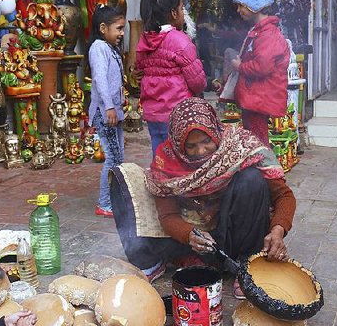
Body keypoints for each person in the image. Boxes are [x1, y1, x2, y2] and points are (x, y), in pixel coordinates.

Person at [109, 98, 295, 295]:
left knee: (251, 179)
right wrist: (188, 234)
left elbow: (284, 195)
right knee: (126, 178)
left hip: (234, 233)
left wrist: (278, 230)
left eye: (207, 141)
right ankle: (165, 262)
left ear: (215, 132)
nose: (201, 151)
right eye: (191, 146)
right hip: (197, 243)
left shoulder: (239, 146)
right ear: (179, 144)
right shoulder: (167, 162)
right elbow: (167, 216)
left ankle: (247, 265)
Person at [136, 0, 207, 158]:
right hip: (177, 112)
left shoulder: (144, 40)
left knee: (160, 157)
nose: (183, 13)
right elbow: (197, 82)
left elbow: (139, 67)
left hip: (153, 113)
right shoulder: (180, 41)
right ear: (173, 13)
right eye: (182, 9)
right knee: (180, 159)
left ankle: (160, 183)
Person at [229, 0, 290, 145]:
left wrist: (240, 66)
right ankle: (261, 169)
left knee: (257, 142)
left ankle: (266, 171)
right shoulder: (260, 32)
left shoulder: (268, 35)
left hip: (259, 100)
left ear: (253, 5)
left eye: (241, 5)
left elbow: (262, 67)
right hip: (255, 99)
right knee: (255, 139)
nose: (238, 10)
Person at [88, 5, 127, 218]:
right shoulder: (98, 48)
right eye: (118, 28)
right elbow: (100, 79)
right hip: (106, 112)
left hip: (113, 110)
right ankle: (105, 203)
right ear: (103, 28)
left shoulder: (109, 48)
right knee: (113, 157)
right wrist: (109, 106)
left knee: (118, 156)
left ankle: (114, 199)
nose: (122, 33)